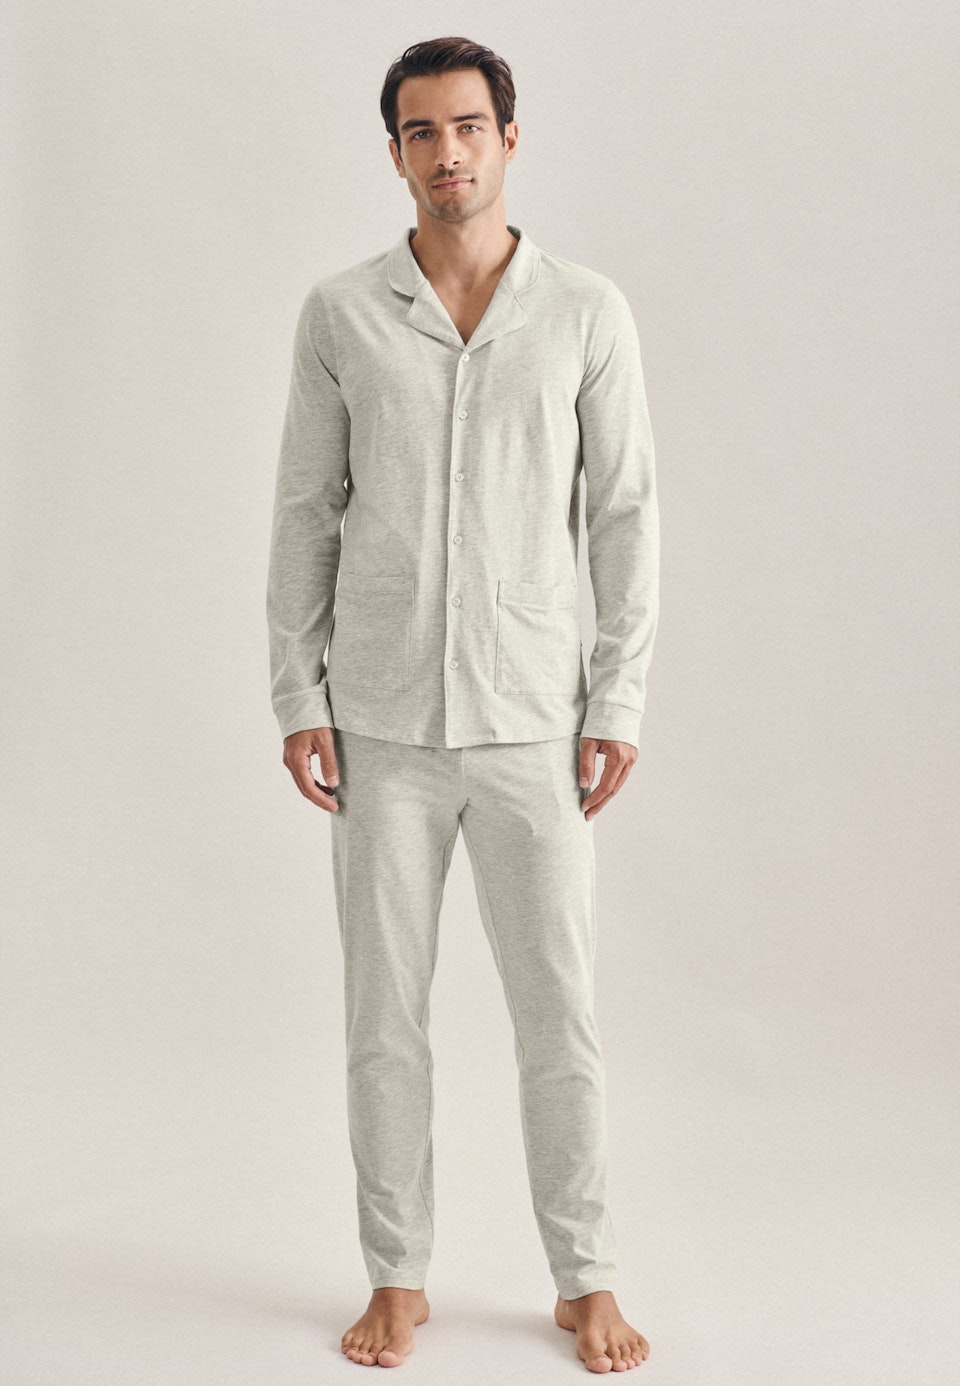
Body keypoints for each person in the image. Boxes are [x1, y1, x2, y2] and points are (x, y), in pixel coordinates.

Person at [266, 35, 659, 1374]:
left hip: (535, 722)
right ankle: (398, 1276)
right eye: (423, 132)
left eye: (470, 126)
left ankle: (586, 1277)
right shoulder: (342, 313)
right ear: (395, 154)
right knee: (385, 1017)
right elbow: (305, 510)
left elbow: (624, 515)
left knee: (560, 1014)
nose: (449, 152)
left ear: (509, 139)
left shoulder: (585, 311)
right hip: (379, 724)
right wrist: (298, 689)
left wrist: (618, 697)